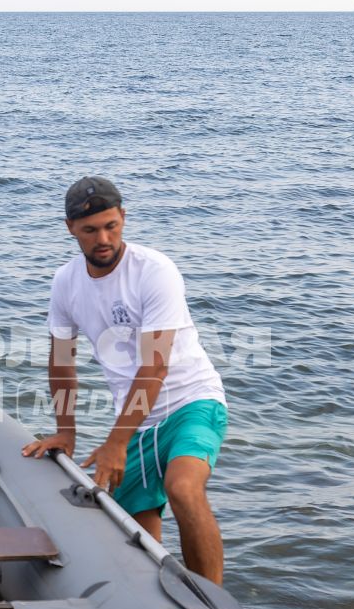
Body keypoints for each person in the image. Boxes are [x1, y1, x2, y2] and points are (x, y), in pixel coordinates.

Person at [20, 177, 229, 584]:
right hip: (136, 420)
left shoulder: (154, 271)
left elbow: (154, 368)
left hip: (192, 402)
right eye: (90, 229)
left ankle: (215, 604)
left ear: (123, 219)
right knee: (138, 527)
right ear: (70, 228)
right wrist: (66, 430)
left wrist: (116, 442)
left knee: (183, 488)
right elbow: (62, 361)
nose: (103, 238)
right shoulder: (66, 282)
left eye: (111, 226)